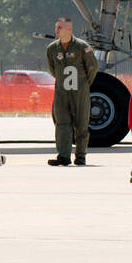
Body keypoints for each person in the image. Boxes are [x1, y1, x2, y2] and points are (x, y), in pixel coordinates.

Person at [45, 17, 98, 167]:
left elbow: (92, 67)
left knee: (81, 124)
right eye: (56, 27)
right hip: (61, 92)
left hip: (79, 91)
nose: (56, 30)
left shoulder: (83, 47)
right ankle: (63, 156)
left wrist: (84, 84)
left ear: (69, 29)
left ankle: (80, 156)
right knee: (62, 123)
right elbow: (53, 69)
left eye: (60, 27)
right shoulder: (52, 49)